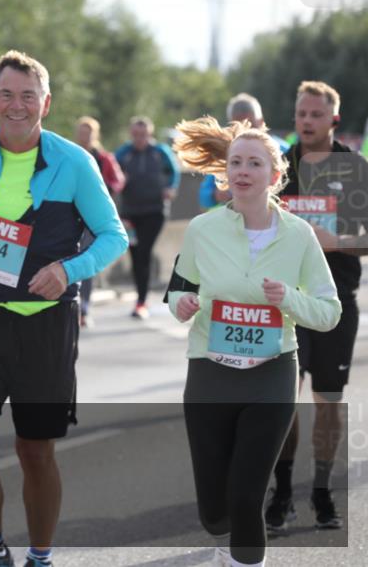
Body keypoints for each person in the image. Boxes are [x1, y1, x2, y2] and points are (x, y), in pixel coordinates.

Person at [0, 50, 127, 567]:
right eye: (6, 95)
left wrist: (68, 270)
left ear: (46, 103)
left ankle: (40, 556)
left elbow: (113, 236)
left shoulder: (74, 163)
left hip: (44, 324)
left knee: (34, 451)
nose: (16, 106)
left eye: (27, 96)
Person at [167, 115, 341, 567]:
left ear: (275, 175)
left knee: (245, 497)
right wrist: (182, 305)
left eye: (254, 163)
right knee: (215, 513)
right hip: (210, 373)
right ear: (226, 174)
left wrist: (289, 300)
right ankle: (230, 533)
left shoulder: (299, 236)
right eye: (236, 163)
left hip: (271, 373)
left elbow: (329, 311)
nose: (243, 171)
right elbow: (178, 290)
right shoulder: (203, 230)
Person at [266, 80, 366, 534]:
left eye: (315, 115)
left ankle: (322, 492)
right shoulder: (279, 167)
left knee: (327, 401)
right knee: (284, 401)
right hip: (284, 302)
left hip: (334, 302)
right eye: (300, 114)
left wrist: (338, 241)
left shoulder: (354, 169)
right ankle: (282, 491)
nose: (305, 121)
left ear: (333, 120)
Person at [114, 116, 179, 319]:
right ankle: (140, 300)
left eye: (143, 135)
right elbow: (110, 173)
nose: (139, 138)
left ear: (149, 134)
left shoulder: (160, 152)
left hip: (154, 211)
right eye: (135, 134)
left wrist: (170, 188)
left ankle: (142, 300)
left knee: (144, 251)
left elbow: (174, 172)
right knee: (135, 256)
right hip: (130, 213)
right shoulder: (124, 153)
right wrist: (117, 183)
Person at [74, 116, 125, 327]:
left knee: (86, 258)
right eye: (81, 132)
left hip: (94, 217)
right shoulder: (71, 154)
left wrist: (104, 191)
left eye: (88, 132)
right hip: (72, 214)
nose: (85, 136)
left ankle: (84, 307)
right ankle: (73, 303)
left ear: (95, 135)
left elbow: (118, 180)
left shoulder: (103, 158)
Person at [198, 94, 288, 210]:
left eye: (255, 163)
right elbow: (203, 196)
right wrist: (215, 195)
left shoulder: (283, 151)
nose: (247, 133)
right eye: (236, 163)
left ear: (261, 122)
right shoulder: (226, 154)